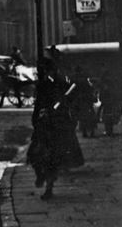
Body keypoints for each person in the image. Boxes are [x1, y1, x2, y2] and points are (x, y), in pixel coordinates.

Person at [27, 58, 84, 200]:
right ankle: (40, 176)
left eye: (47, 70)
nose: (47, 73)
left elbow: (71, 100)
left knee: (52, 158)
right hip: (44, 123)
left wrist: (64, 108)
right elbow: (38, 104)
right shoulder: (43, 85)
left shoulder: (62, 84)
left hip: (57, 125)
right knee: (34, 154)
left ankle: (49, 188)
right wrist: (36, 119)